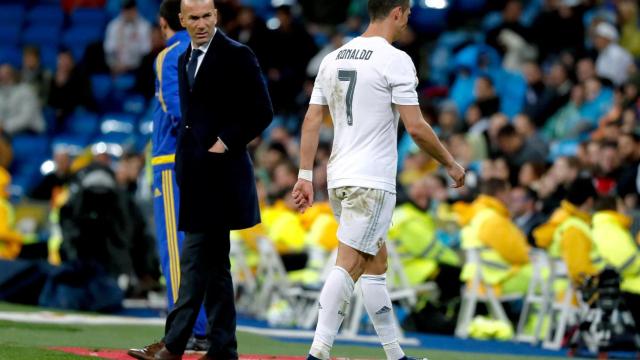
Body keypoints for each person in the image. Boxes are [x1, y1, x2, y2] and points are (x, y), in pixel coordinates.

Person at [292, 1, 466, 359]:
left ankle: (395, 355)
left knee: (376, 263)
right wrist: (450, 163)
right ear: (398, 12)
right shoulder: (395, 59)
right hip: (371, 179)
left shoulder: (333, 57)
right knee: (350, 262)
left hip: (339, 177)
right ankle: (318, 352)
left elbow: (311, 119)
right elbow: (416, 128)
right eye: (409, 15)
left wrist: (305, 175)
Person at [128, 0, 273, 359]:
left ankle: (173, 345)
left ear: (216, 16)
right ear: (181, 20)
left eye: (207, 16)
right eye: (193, 18)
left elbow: (262, 111)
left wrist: (224, 143)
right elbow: (191, 120)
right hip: (195, 177)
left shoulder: (238, 55)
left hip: (221, 176)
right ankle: (223, 348)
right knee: (216, 267)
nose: (202, 23)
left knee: (193, 261)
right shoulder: (182, 60)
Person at [132, 0, 210, 354]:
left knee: (176, 252)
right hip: (211, 160)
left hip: (172, 161)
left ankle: (188, 330)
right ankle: (205, 326)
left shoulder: (170, 54)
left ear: (165, 23)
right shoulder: (217, 48)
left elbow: (179, 111)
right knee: (203, 248)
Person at [104, 0, 152, 74]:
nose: (128, 13)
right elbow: (108, 48)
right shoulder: (113, 26)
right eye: (125, 10)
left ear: (135, 9)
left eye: (130, 9)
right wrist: (116, 65)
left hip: (137, 67)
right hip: (117, 65)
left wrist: (129, 65)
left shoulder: (144, 26)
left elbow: (146, 50)